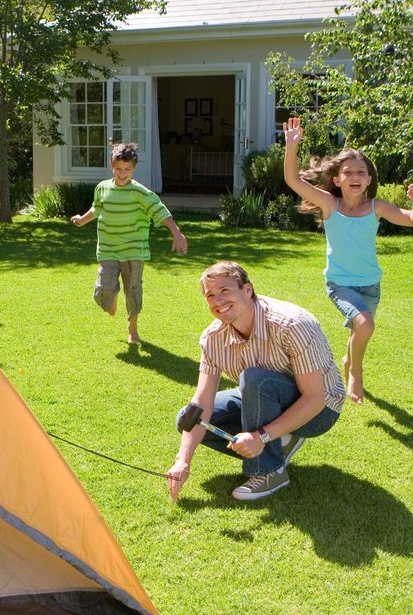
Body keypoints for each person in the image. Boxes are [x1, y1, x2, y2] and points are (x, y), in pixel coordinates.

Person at [165, 261, 345, 502]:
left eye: (225, 291)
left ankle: (269, 472)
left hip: (320, 410)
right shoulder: (212, 339)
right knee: (186, 418)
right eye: (210, 295)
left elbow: (315, 398)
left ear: (247, 290)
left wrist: (260, 437)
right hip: (263, 394)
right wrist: (182, 461)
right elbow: (201, 403)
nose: (217, 300)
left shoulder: (293, 324)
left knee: (255, 379)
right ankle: (280, 443)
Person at [282, 116, 413, 404]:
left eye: (361, 172)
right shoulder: (329, 204)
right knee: (365, 325)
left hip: (371, 284)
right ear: (337, 179)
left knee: (360, 327)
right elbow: (292, 179)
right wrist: (291, 147)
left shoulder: (377, 207)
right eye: (348, 172)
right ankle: (355, 370)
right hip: (340, 284)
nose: (355, 176)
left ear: (369, 180)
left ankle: (350, 359)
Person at [71, 142, 188, 344]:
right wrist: (82, 219)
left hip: (134, 250)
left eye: (127, 170)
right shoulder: (102, 188)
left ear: (133, 169)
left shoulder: (140, 193)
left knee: (133, 291)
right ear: (111, 165)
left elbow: (160, 211)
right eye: (118, 169)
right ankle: (112, 296)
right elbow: (97, 209)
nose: (122, 174)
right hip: (108, 249)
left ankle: (132, 329)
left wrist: (176, 232)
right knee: (103, 291)